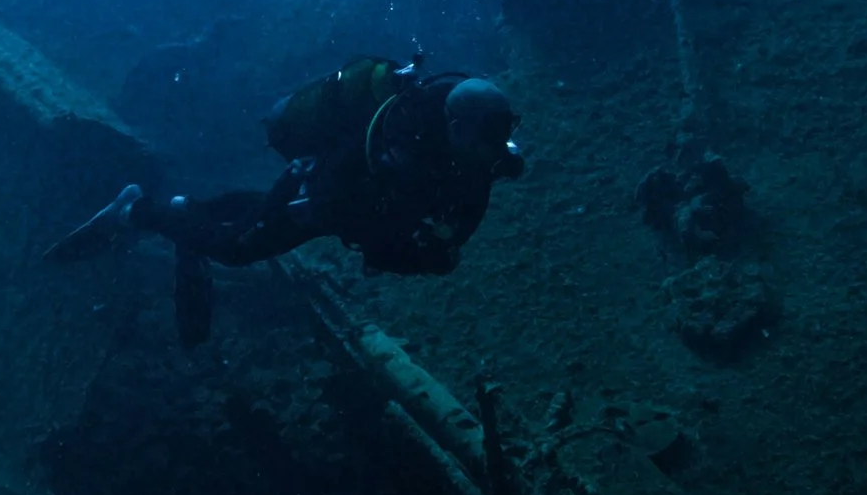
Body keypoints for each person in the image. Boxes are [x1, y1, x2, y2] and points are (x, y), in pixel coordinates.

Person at [46, 55, 525, 347]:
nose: (493, 154)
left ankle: (183, 205)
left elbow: (457, 212)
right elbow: (350, 213)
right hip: (318, 193)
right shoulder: (399, 140)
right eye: (486, 142)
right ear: (457, 128)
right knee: (238, 249)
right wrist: (398, 251)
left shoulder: (472, 154)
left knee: (253, 215)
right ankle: (136, 211)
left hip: (340, 204)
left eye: (499, 141)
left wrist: (434, 248)